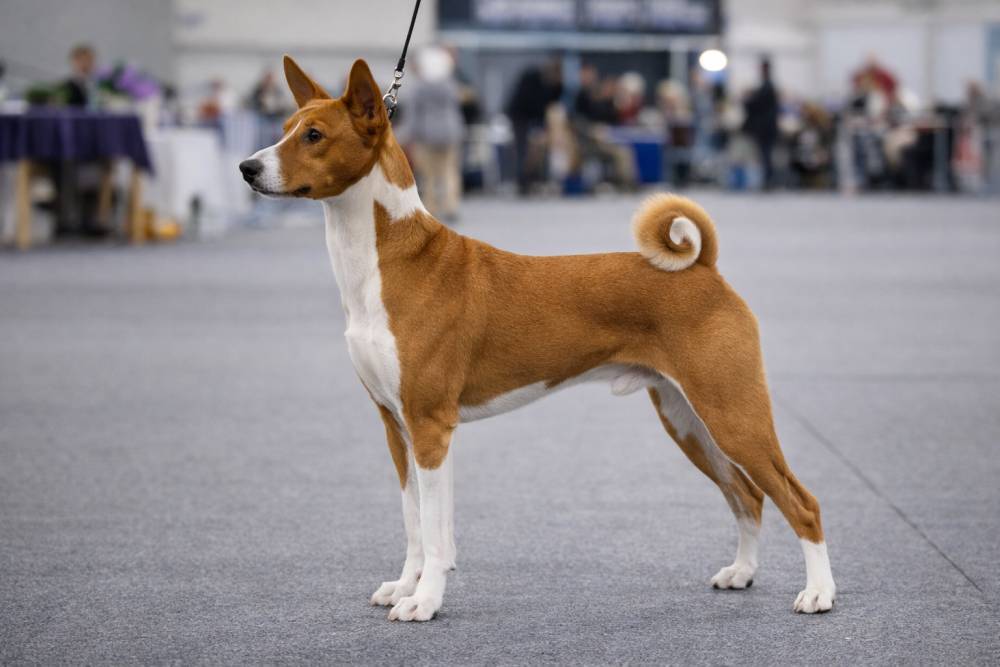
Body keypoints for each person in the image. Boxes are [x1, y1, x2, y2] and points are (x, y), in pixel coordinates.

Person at [406, 46, 465, 221]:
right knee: (449, 170)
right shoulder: (450, 84)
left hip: (427, 133)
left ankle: (431, 206)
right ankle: (451, 205)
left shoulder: (418, 87)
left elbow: (413, 115)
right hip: (450, 131)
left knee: (428, 173)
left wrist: (407, 135)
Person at [506, 56, 563, 195]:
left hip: (533, 118)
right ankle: (522, 183)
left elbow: (550, 103)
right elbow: (531, 103)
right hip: (519, 116)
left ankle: (535, 179)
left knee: (537, 149)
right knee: (522, 148)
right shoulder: (531, 77)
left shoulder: (553, 85)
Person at [742, 58, 780, 190]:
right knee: (765, 154)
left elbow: (755, 104)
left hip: (766, 128)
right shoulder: (768, 86)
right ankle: (767, 180)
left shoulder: (767, 86)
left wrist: (746, 99)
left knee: (766, 155)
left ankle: (768, 181)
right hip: (768, 127)